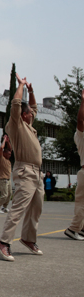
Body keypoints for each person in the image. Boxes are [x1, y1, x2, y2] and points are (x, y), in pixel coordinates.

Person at [0, 74, 44, 261]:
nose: (32, 113)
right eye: (29, 112)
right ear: (24, 115)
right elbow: (15, 105)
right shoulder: (16, 125)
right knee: (18, 208)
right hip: (25, 170)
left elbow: (35, 107)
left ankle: (28, 239)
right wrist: (21, 85)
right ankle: (4, 242)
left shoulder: (30, 126)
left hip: (36, 173)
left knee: (36, 208)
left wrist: (31, 91)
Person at [64, 89, 84, 240]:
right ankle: (73, 229)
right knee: (81, 204)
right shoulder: (81, 136)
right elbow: (80, 121)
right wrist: (83, 101)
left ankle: (82, 229)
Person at [0, 136, 12, 213]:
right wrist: (4, 140)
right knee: (4, 195)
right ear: (4, 153)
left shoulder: (8, 160)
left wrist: (8, 142)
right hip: (2, 179)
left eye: (10, 154)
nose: (9, 155)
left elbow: (10, 149)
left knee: (9, 194)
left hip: (8, 179)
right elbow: (1, 148)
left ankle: (4, 207)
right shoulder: (1, 158)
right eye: (8, 154)